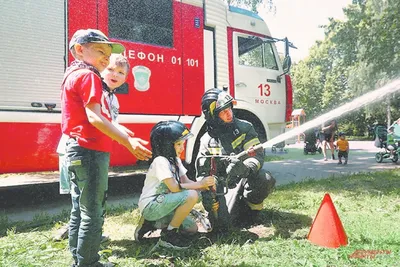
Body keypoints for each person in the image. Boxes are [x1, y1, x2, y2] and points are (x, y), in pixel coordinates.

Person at [62, 29, 152, 267]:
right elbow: (94, 118)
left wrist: (121, 131)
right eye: (100, 50)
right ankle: (88, 263)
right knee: (93, 213)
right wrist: (127, 142)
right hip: (90, 152)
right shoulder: (89, 76)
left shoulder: (72, 74)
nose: (105, 57)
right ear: (80, 49)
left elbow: (88, 116)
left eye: (108, 52)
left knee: (78, 209)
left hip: (75, 149)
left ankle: (78, 258)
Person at [54, 53, 132, 241]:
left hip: (91, 149)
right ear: (101, 69)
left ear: (126, 78)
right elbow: (95, 119)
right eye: (111, 69)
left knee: (87, 197)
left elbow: (110, 121)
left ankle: (86, 234)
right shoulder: (96, 88)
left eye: (121, 72)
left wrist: (122, 130)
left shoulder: (113, 98)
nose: (115, 74)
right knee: (83, 198)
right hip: (78, 147)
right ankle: (83, 234)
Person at [196, 88, 276, 232]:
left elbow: (257, 155)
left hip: (245, 178)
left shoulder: (245, 128)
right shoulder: (206, 141)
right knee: (222, 226)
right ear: (213, 116)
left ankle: (252, 211)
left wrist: (246, 168)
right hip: (222, 186)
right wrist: (206, 195)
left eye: (229, 109)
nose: (229, 114)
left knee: (265, 179)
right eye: (223, 111)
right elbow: (202, 173)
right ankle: (231, 212)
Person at [135, 121, 216, 249]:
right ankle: (169, 235)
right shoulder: (160, 161)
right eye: (178, 144)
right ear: (166, 146)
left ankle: (153, 223)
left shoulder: (175, 160)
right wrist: (199, 184)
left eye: (182, 144)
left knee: (191, 229)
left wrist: (204, 185)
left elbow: (186, 182)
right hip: (151, 206)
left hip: (165, 204)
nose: (182, 148)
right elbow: (174, 187)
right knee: (191, 195)